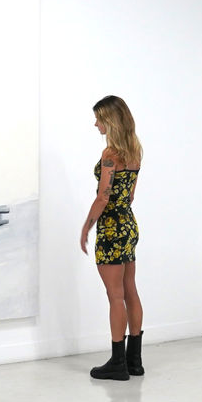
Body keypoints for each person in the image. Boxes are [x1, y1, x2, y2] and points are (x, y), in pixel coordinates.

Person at [80, 95, 143, 381]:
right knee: (130, 290)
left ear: (111, 121)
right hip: (129, 225)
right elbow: (129, 195)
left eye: (99, 119)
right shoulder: (134, 151)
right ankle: (134, 360)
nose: (95, 124)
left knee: (115, 295)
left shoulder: (110, 154)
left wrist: (86, 227)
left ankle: (117, 363)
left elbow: (103, 197)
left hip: (111, 228)